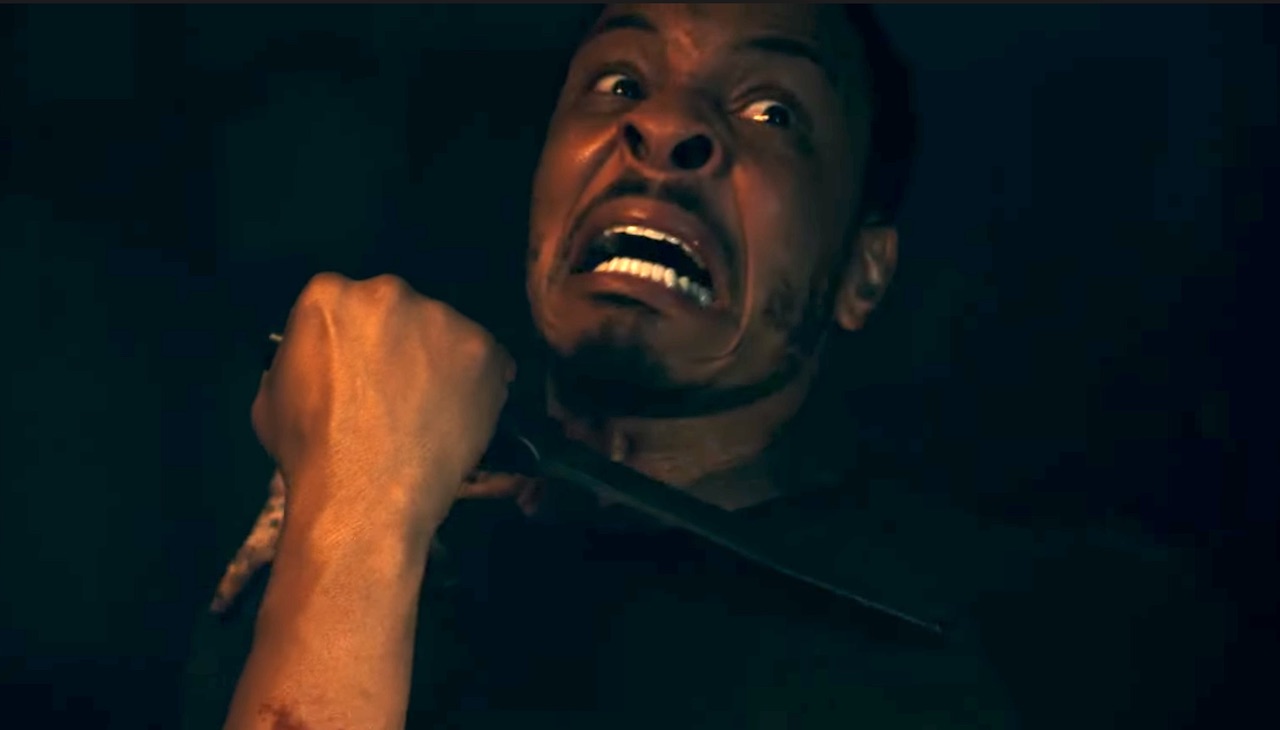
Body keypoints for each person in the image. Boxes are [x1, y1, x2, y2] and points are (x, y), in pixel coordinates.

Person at [182, 5, 1227, 729]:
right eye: (618, 82)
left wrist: (359, 520)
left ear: (861, 273)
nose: (664, 123)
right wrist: (362, 511)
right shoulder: (346, 543)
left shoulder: (942, 658)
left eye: (773, 112)